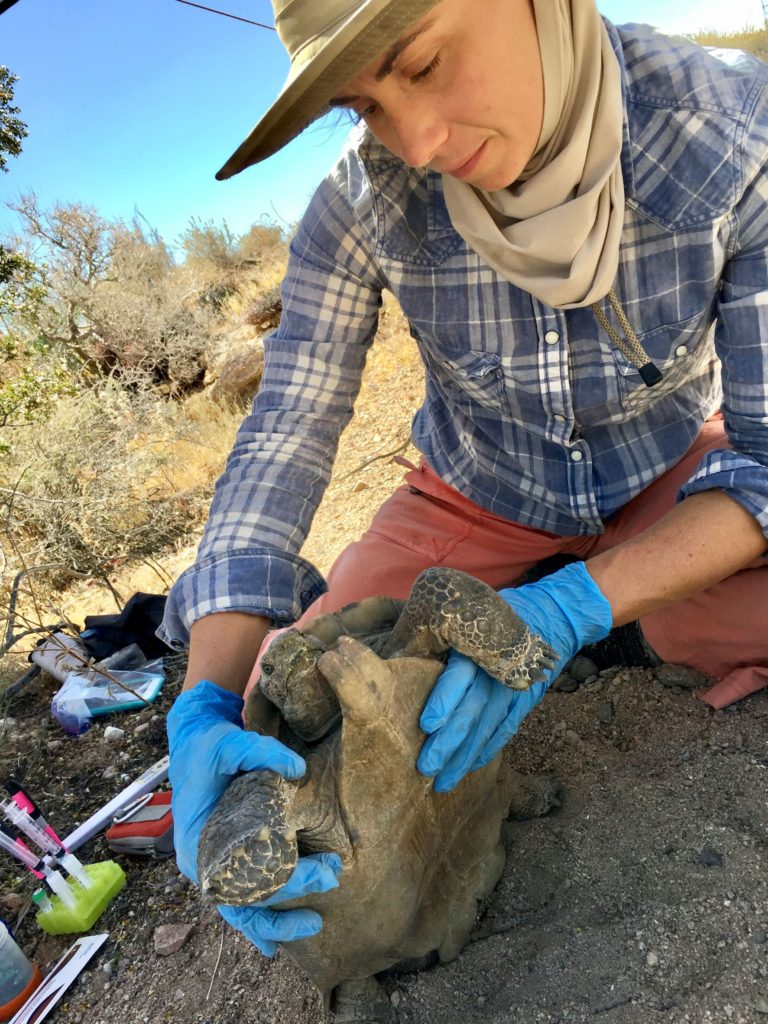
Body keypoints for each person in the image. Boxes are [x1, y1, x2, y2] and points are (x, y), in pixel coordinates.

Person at [165, 0, 768, 958]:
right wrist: (198, 701)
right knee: (303, 693)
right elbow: (288, 423)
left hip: (666, 470)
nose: (419, 140)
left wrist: (575, 607)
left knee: (712, 613)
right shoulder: (359, 202)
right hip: (477, 489)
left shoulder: (735, 131)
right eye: (364, 105)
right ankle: (596, 612)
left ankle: (612, 619)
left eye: (425, 62)